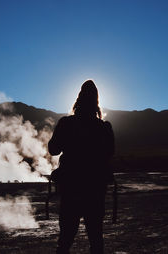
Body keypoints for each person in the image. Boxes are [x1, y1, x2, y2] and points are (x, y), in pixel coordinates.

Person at [48, 80, 115, 254]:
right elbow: (110, 153)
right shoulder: (104, 128)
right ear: (96, 102)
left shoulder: (66, 123)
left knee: (66, 238)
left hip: (71, 188)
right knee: (96, 238)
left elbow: (53, 149)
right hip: (95, 189)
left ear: (78, 100)